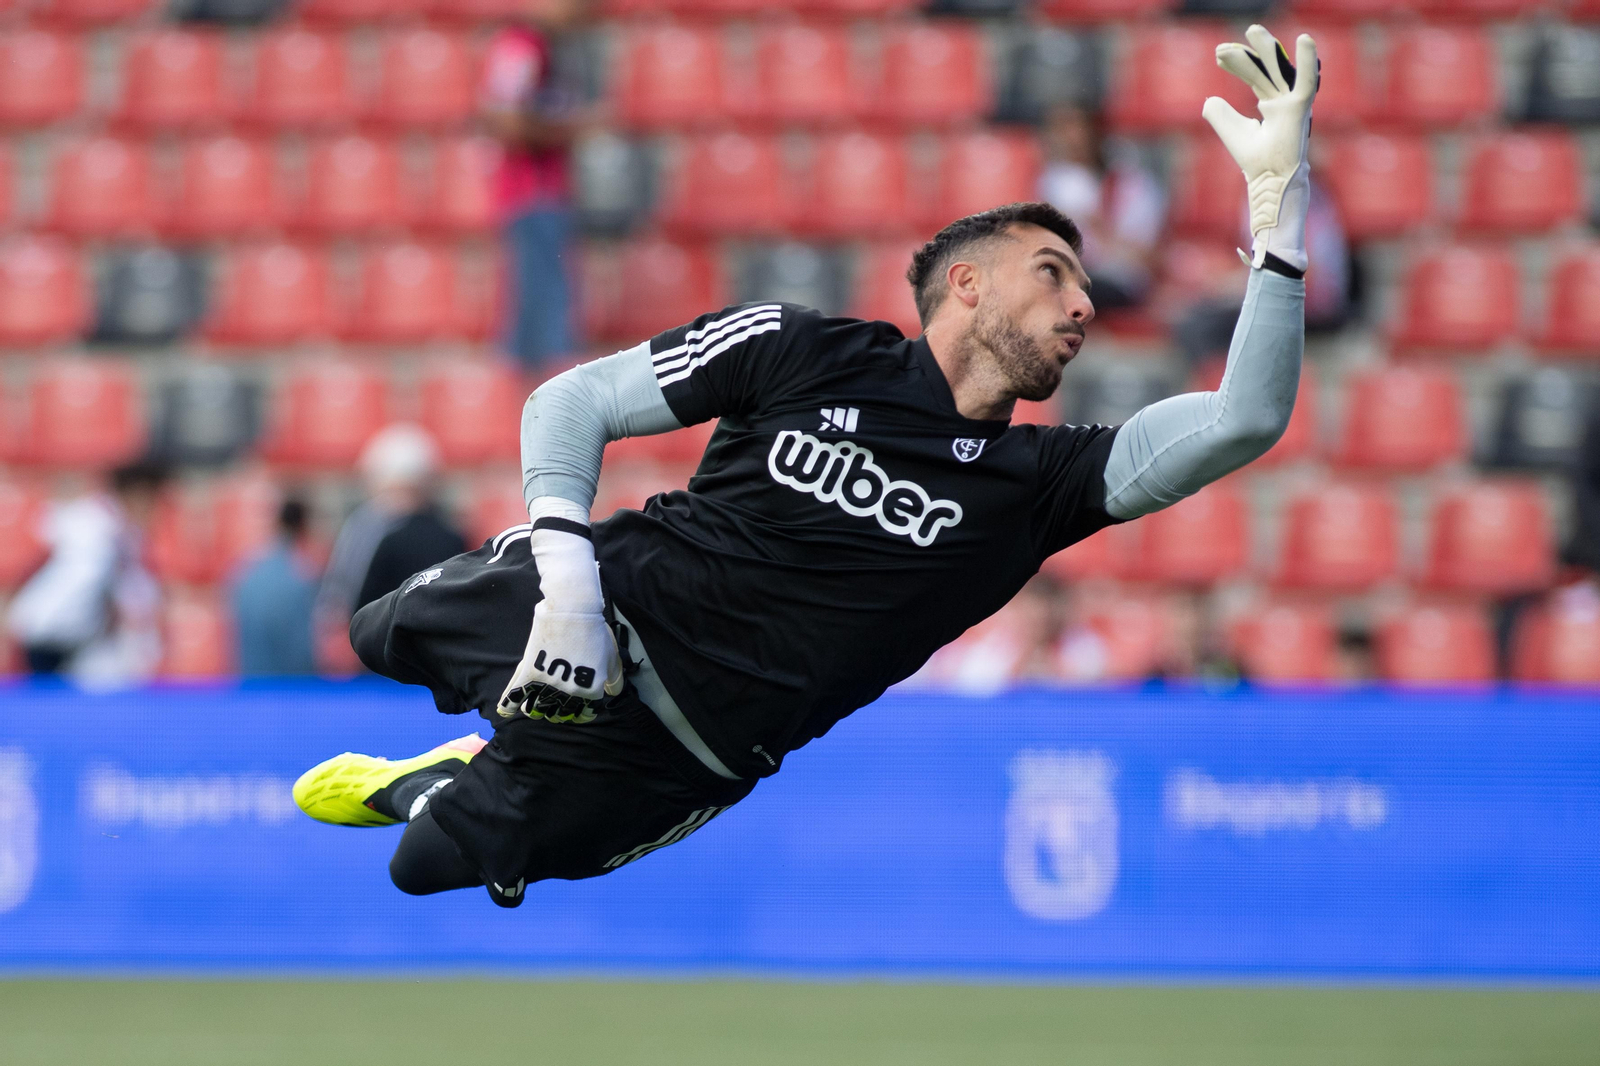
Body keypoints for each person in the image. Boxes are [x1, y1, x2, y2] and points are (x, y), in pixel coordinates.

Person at [293, 27, 1319, 909]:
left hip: (686, 755)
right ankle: (515, 702)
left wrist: (1278, 220)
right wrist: (565, 579)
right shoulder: (799, 346)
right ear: (966, 284)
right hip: (604, 604)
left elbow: (1244, 418)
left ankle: (458, 769)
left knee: (422, 865)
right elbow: (572, 400)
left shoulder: (1041, 485)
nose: (1083, 306)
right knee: (378, 631)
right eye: (1053, 274)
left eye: (1086, 290)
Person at [480, 0, 590, 370]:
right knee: (539, 314)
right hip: (531, 194)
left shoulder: (548, 47)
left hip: (547, 194)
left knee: (548, 306)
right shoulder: (521, 45)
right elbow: (503, 118)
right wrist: (567, 130)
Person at [313, 425, 466, 670]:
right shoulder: (451, 533)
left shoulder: (369, 528)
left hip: (385, 663)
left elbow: (349, 604)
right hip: (439, 666)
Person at [6, 463, 166, 687]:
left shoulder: (122, 532)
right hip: (53, 635)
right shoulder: (92, 529)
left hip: (76, 640)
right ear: (133, 494)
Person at [1037, 104, 1166, 311]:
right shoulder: (1053, 181)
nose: (1070, 140)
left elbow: (1146, 256)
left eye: (1077, 130)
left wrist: (1101, 229)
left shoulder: (1133, 185)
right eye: (1061, 131)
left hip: (1115, 278)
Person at [231, 497, 319, 677]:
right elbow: (303, 648)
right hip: (291, 687)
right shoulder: (303, 575)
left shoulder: (245, 571)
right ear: (305, 527)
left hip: (252, 681)